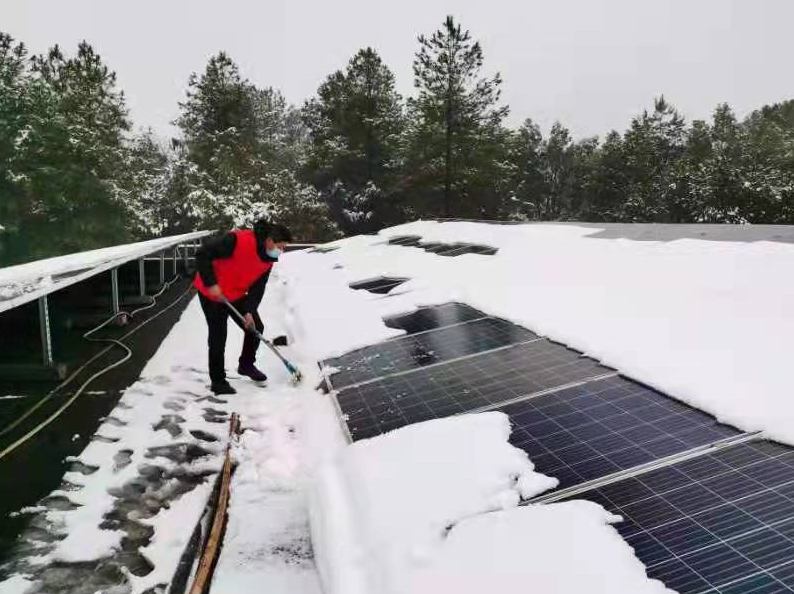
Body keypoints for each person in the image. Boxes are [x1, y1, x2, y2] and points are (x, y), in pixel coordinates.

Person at [194, 220, 292, 395]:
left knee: (255, 328)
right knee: (218, 335)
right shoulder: (237, 240)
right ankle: (218, 381)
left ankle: (246, 365)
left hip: (236, 293)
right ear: (269, 240)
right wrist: (211, 283)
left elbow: (257, 288)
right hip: (212, 293)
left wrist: (248, 310)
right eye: (280, 246)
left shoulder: (268, 259)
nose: (281, 251)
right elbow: (202, 253)